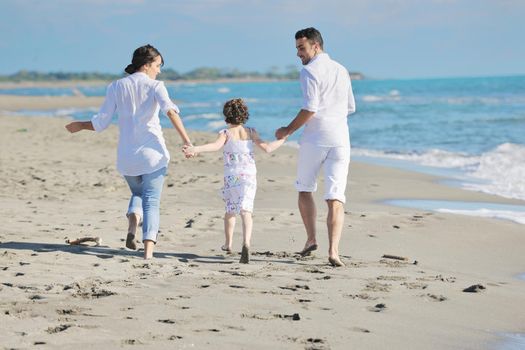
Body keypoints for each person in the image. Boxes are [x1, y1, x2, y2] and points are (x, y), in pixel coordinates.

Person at [65, 44, 192, 259]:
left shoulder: (115, 86)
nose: (159, 70)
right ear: (146, 65)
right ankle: (148, 252)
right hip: (153, 155)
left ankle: (132, 227)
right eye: (158, 65)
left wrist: (80, 125)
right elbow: (170, 112)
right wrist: (188, 141)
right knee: (151, 200)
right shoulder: (156, 86)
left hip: (127, 158)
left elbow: (101, 123)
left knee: (138, 194)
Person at [275, 27, 356, 267]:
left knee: (304, 188)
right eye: (297, 48)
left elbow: (310, 108)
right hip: (341, 139)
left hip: (315, 139)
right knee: (335, 196)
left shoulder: (309, 71)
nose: (298, 53)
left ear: (316, 46)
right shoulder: (342, 70)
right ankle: (333, 252)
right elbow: (350, 107)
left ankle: (311, 239)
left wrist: (287, 130)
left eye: (302, 47)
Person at [183, 98, 286, 264]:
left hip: (232, 176)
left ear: (226, 116)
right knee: (246, 211)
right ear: (244, 116)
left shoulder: (225, 133)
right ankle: (246, 242)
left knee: (231, 210)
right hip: (249, 176)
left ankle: (228, 244)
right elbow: (267, 148)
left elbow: (215, 146)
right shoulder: (251, 132)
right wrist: (283, 139)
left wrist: (196, 149)